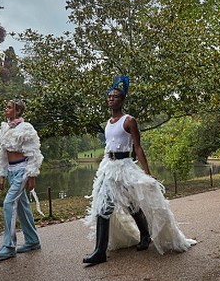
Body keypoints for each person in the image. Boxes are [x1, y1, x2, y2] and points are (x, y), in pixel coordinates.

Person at [82, 75, 195, 265]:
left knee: (131, 204)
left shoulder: (129, 120)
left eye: (115, 96)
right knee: (106, 206)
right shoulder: (108, 123)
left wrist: (147, 172)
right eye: (109, 96)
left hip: (124, 167)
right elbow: (109, 145)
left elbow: (138, 148)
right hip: (109, 168)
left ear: (122, 99)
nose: (111, 99)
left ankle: (142, 236)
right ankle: (101, 250)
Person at [0, 99, 44, 261]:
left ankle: (9, 246)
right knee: (22, 206)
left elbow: (34, 153)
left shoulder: (26, 128)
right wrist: (2, 175)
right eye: (6, 107)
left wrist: (32, 176)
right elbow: (3, 155)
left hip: (22, 170)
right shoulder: (5, 128)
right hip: (11, 171)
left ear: (18, 111)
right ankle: (32, 240)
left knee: (8, 203)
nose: (6, 110)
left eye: (9, 108)